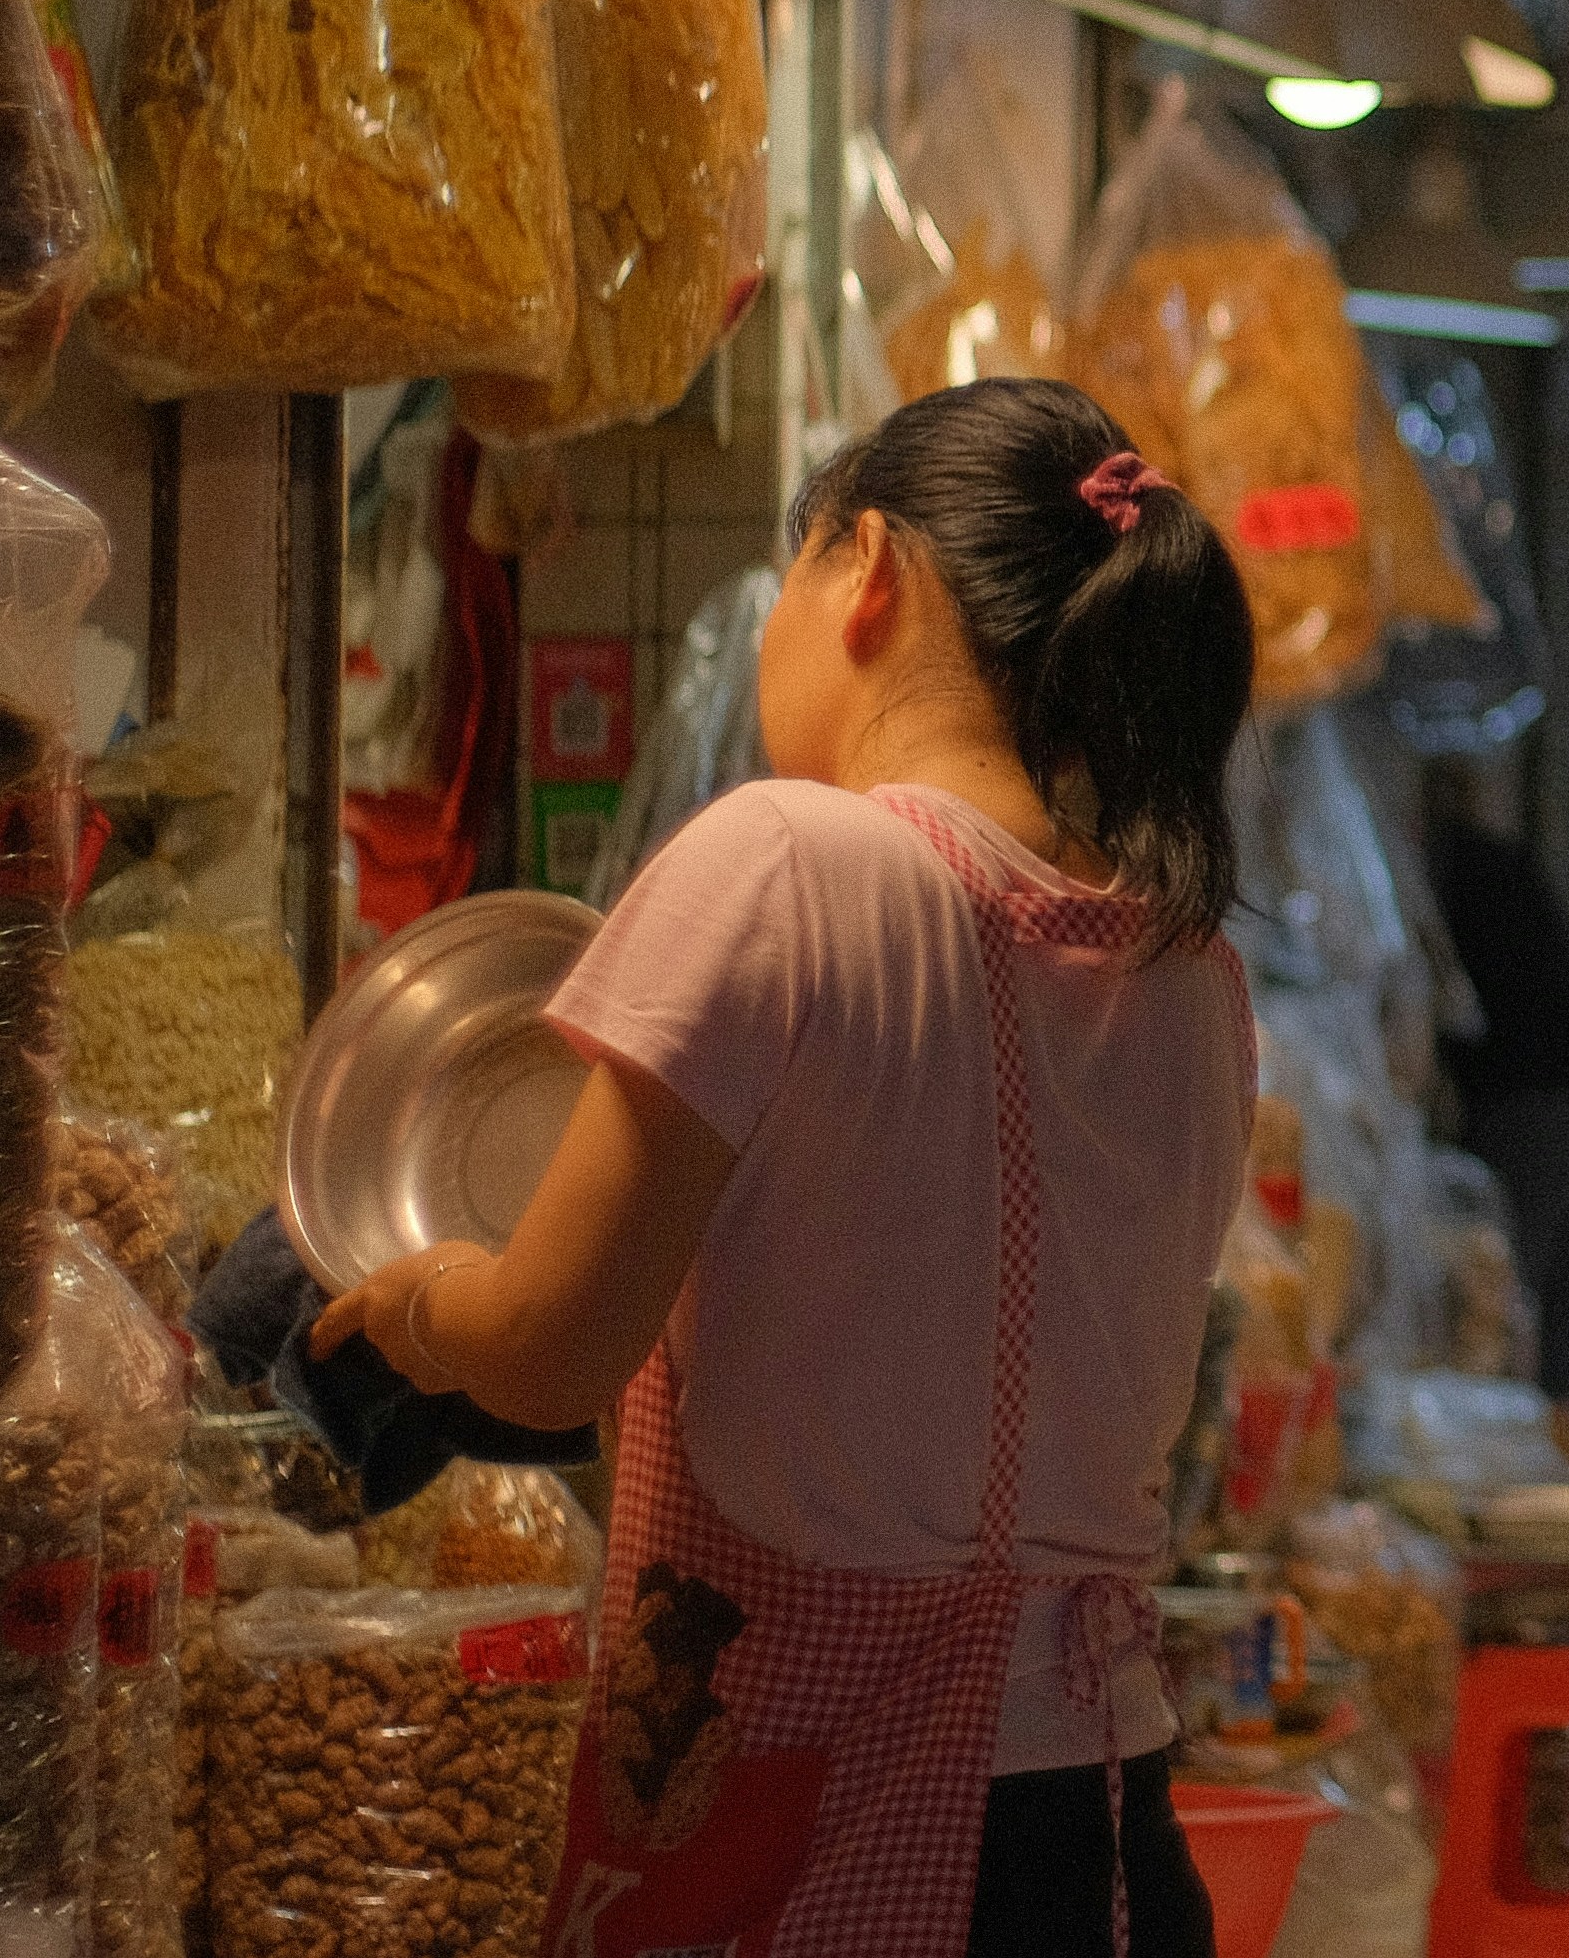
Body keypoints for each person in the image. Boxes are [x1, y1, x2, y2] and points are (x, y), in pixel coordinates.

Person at [308, 379, 1259, 1955]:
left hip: (814, 1823)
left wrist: (419, 1306)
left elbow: (548, 1352)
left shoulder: (785, 863)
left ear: (866, 569)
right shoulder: (1196, 978)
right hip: (1102, 1832)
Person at [1422, 754, 1569, 1414]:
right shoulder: (1506, 864)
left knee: (1503, 1311)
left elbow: (1436, 1005)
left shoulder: (1445, 875)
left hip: (1536, 1112)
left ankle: (1520, 1453)